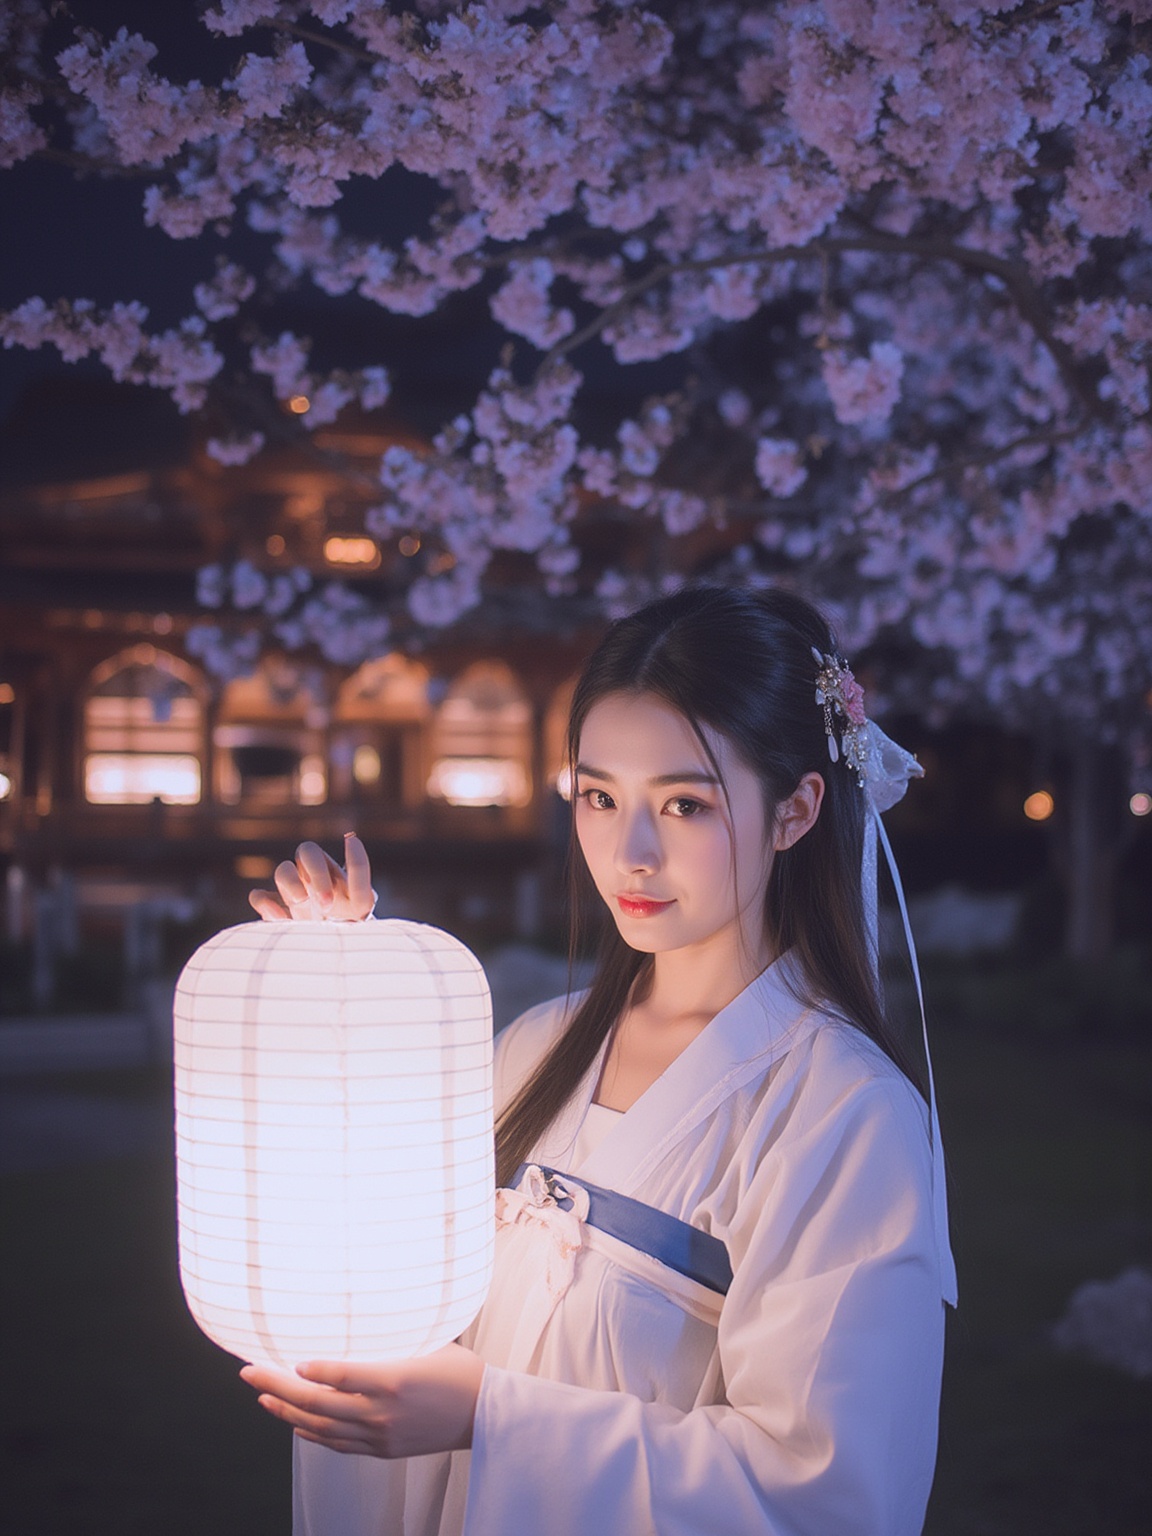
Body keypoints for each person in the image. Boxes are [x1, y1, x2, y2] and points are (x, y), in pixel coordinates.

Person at [241, 585, 957, 1536]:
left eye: (686, 803)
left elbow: (826, 1493)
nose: (631, 853)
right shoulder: (537, 1046)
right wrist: (350, 1001)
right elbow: (378, 1262)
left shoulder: (843, 1112)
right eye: (599, 797)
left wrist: (489, 1416)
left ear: (795, 811)